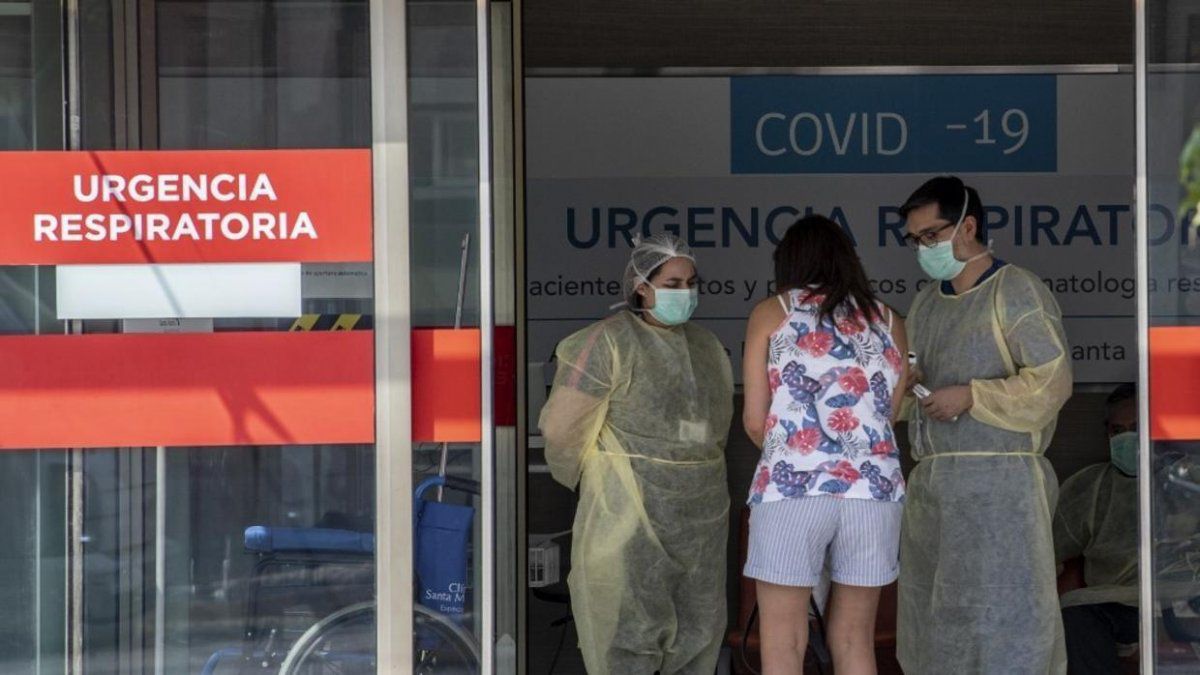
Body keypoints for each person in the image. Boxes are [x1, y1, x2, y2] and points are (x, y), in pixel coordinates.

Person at [896, 176, 1074, 674]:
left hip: (1004, 494)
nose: (923, 248)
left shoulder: (1015, 291)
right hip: (935, 493)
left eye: (931, 235)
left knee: (1007, 626)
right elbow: (915, 380)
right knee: (938, 626)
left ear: (968, 226)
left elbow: (1052, 382)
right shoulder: (926, 303)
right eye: (914, 239)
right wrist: (910, 386)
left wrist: (974, 395)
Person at [538, 233, 733, 674]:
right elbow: (562, 427)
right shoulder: (607, 342)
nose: (685, 293)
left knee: (697, 628)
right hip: (628, 510)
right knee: (627, 632)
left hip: (700, 517)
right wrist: (600, 474)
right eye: (672, 283)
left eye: (691, 283)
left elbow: (716, 426)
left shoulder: (706, 347)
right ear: (642, 287)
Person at [742, 215, 908, 674]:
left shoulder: (772, 312)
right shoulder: (890, 320)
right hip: (874, 493)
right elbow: (889, 416)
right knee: (855, 639)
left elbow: (755, 419)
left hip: (793, 488)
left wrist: (793, 454)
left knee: (784, 641)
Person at [1054, 383, 1139, 674]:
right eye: (1118, 430)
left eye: (1136, 428)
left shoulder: (1185, 478)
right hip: (1114, 604)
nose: (1127, 437)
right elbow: (1047, 551)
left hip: (1179, 600)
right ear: (1107, 434)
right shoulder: (1090, 487)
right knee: (1076, 617)